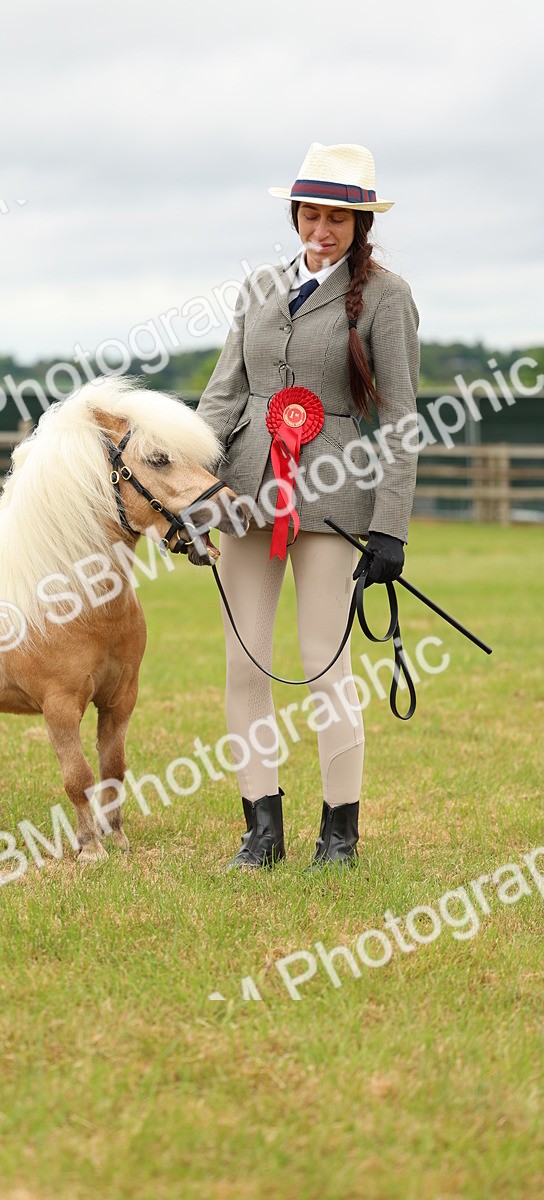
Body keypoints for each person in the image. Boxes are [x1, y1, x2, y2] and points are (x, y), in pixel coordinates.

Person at [196, 142, 420, 871]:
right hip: (244, 493)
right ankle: (261, 832)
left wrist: (389, 528)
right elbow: (225, 392)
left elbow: (403, 420)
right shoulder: (260, 287)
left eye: (336, 218)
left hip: (331, 500)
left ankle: (339, 839)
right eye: (310, 215)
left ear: (359, 224)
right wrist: (197, 487)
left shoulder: (388, 298)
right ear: (296, 214)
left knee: (325, 667)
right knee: (244, 667)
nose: (320, 230)